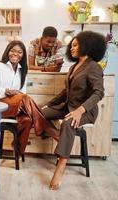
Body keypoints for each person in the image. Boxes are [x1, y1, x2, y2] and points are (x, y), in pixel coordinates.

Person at [41, 31, 106, 190]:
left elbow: (99, 92)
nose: (72, 48)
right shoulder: (73, 67)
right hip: (68, 107)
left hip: (85, 111)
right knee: (39, 113)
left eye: (76, 45)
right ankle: (58, 136)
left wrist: (80, 111)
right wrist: (48, 105)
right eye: (72, 45)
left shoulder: (93, 67)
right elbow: (66, 92)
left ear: (87, 46)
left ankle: (60, 167)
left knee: (68, 124)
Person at [0, 40, 59, 156]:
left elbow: (23, 93)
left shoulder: (23, 70)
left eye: (19, 52)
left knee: (28, 119)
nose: (15, 54)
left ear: (23, 55)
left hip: (17, 106)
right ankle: (49, 130)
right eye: (12, 51)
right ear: (7, 52)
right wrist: (6, 91)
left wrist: (17, 95)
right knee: (23, 98)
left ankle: (17, 148)